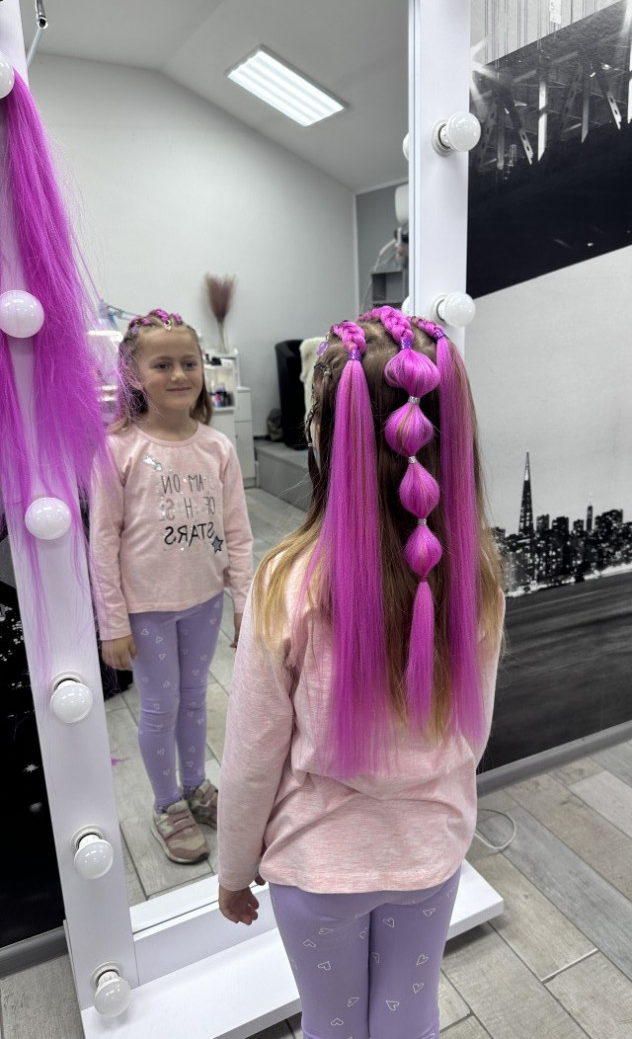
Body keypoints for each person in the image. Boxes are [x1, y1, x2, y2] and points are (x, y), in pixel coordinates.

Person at [217, 306, 504, 1039]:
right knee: (410, 1019)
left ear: (324, 434)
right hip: (429, 854)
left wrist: (233, 868)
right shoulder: (477, 577)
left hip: (318, 867)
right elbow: (471, 734)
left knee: (333, 1027)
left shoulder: (287, 583)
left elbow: (252, 755)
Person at [90, 308, 253, 865]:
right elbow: (103, 542)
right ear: (133, 374)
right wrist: (112, 623)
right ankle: (167, 804)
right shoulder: (117, 448)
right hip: (148, 609)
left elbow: (237, 532)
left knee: (195, 699)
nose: (179, 374)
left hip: (204, 601)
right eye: (162, 365)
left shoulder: (217, 447)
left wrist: (244, 601)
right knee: (160, 706)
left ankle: (195, 785)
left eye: (189, 362)